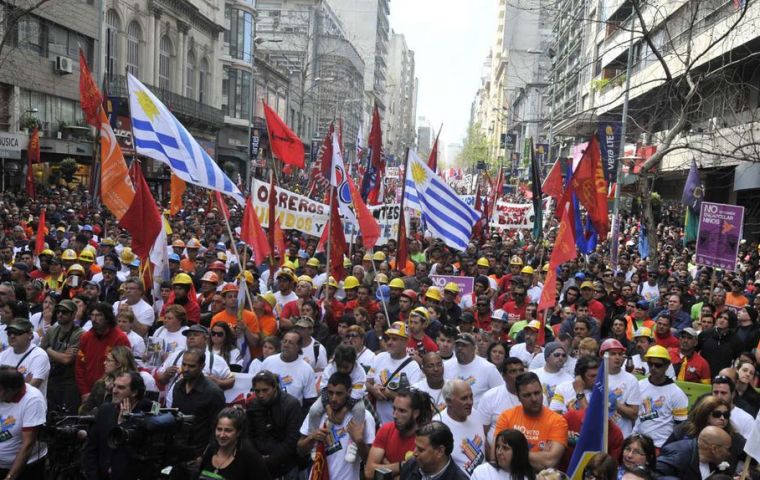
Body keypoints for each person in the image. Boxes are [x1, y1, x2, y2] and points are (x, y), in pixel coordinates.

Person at [297, 372, 376, 480]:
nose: (333, 398)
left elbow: (370, 462)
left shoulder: (363, 417)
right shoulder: (317, 414)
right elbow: (300, 451)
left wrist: (359, 440)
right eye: (330, 393)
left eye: (339, 394)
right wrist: (311, 437)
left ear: (349, 392)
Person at [82, 371, 152, 480]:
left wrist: (124, 424)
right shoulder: (105, 410)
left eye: (121, 387)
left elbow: (137, 457)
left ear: (134, 392)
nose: (114, 391)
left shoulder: (148, 414)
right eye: (114, 386)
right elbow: (91, 449)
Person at [494, 372, 568, 471]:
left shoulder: (557, 421)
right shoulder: (506, 417)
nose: (534, 399)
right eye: (527, 395)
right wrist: (541, 456)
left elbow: (550, 462)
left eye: (537, 393)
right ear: (518, 396)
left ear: (542, 392)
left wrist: (512, 453)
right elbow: (495, 456)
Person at [157, 324, 234, 407]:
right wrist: (165, 375)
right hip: (172, 405)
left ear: (206, 338)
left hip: (200, 407)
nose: (191, 337)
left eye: (196, 335)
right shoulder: (175, 355)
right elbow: (160, 378)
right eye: (189, 335)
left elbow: (231, 380)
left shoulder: (215, 359)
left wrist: (218, 382)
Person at [246, 370, 305, 478]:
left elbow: (293, 439)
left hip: (285, 466)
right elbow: (248, 435)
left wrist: (269, 460)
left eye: (265, 390)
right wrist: (256, 458)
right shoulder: (253, 405)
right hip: (258, 464)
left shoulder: (291, 405)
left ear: (275, 387)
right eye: (257, 391)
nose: (261, 395)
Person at [365, 389, 435, 479]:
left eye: (402, 411)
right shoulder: (386, 430)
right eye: (394, 409)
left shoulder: (425, 440)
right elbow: (369, 472)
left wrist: (385, 466)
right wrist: (403, 466)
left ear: (415, 413)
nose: (395, 415)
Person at [171, 348, 226, 456]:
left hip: (199, 451)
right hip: (176, 448)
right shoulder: (178, 387)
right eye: (184, 364)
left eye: (191, 366)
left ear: (202, 366)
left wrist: (206, 455)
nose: (186, 369)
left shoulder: (213, 393)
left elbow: (216, 429)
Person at [367, 321, 423, 424]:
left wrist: (389, 393)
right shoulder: (379, 357)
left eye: (394, 339)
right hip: (377, 422)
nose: (389, 342)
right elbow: (367, 382)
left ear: (406, 341)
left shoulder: (413, 366)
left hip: (399, 425)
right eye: (388, 338)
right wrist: (373, 389)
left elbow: (413, 399)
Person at [633, 345, 688, 448]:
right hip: (638, 443)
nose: (653, 368)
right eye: (650, 364)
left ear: (667, 366)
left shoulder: (677, 393)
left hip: (661, 446)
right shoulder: (639, 385)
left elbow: (680, 427)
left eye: (658, 365)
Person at [76, 302, 131, 403]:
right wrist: (84, 392)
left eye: (99, 315)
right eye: (92, 315)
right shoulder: (85, 338)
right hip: (87, 393)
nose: (94, 319)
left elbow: (125, 368)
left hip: (110, 393)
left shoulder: (120, 339)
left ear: (107, 317)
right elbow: (79, 366)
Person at [79, 345, 158, 415]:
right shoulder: (101, 384)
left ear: (119, 364)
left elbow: (156, 407)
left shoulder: (142, 379)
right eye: (114, 386)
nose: (104, 363)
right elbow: (85, 411)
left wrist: (150, 420)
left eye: (108, 360)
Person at [198, 406, 271, 480]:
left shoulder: (250, 458)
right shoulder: (210, 450)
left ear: (238, 432)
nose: (222, 435)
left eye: (228, 430)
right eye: (219, 429)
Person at [0, 366, 47, 480]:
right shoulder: (4, 393)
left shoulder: (32, 400)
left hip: (24, 468)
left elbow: (28, 444)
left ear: (11, 391)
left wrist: (10, 477)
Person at [41, 298, 83, 412]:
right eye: (58, 311)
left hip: (69, 381)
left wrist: (49, 350)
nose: (60, 314)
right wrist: (58, 354)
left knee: (66, 414)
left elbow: (67, 359)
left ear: (73, 314)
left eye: (64, 312)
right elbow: (41, 351)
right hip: (51, 378)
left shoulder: (79, 333)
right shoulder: (52, 330)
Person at [439, 379, 487, 476]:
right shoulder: (439, 425)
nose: (470, 402)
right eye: (464, 398)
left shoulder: (475, 414)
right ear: (448, 401)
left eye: (471, 397)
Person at [260, 330, 317, 408]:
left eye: (291, 343)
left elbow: (310, 401)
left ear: (299, 347)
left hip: (293, 415)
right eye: (284, 341)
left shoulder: (307, 370)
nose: (286, 345)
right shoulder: (268, 361)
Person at [443, 332, 503, 405]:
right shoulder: (446, 366)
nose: (459, 348)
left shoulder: (488, 368)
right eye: (457, 345)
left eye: (464, 345)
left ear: (474, 348)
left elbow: (501, 393)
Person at [655, 426, 733, 479]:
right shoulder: (679, 456)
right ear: (714, 449)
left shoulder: (713, 461)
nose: (729, 453)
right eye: (728, 449)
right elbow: (655, 475)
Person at [398, 421, 469, 480]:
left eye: (421, 450)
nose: (414, 453)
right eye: (416, 447)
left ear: (440, 451)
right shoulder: (410, 466)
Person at [600, 338, 641, 438]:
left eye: (620, 354)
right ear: (603, 356)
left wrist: (612, 401)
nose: (617, 357)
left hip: (622, 435)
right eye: (613, 354)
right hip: (599, 433)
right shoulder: (595, 377)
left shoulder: (631, 380)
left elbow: (633, 414)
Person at [477, 357, 528, 437]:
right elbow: (481, 432)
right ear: (503, 376)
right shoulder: (489, 397)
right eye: (513, 371)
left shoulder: (535, 395)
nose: (518, 375)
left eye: (521, 370)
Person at [0, 318, 51, 396]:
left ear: (30, 335)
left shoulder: (39, 356)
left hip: (29, 406)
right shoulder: (3, 355)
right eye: (9, 333)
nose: (12, 336)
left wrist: (4, 391)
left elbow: (32, 387)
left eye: (17, 332)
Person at [470, 429, 536, 480]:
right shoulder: (482, 471)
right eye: (498, 446)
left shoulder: (527, 477)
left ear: (518, 451)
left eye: (505, 448)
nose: (499, 452)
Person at [712, 374, 755, 440]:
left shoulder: (747, 420)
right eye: (715, 392)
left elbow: (749, 448)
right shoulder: (704, 412)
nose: (719, 397)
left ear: (733, 394)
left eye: (723, 393)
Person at [532, 342, 573, 406]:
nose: (560, 357)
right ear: (547, 357)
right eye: (557, 355)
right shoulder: (533, 375)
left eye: (563, 355)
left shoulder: (569, 380)